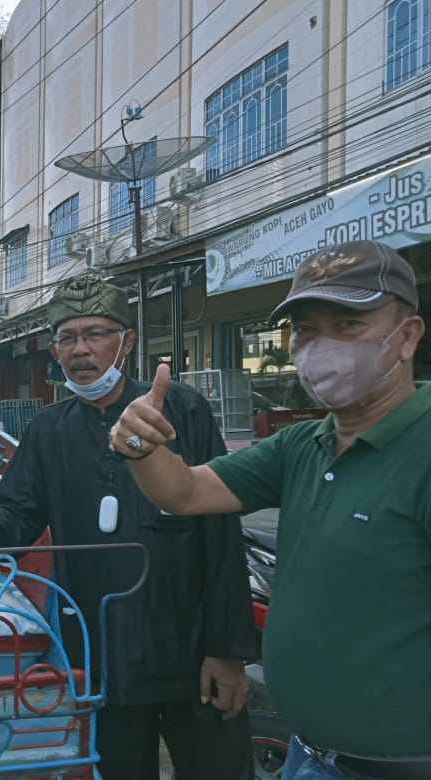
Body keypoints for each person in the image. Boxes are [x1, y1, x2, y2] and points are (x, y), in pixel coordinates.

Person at [111, 240, 431, 778]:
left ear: (407, 337)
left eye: (347, 324)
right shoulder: (302, 444)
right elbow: (185, 493)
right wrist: (141, 445)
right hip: (310, 755)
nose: (321, 344)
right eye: (306, 329)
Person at [0, 277, 256, 780]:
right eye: (67, 338)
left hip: (190, 650)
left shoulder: (181, 409)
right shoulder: (48, 429)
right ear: (55, 351)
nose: (80, 350)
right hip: (103, 655)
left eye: (95, 333)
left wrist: (227, 651)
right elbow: (17, 515)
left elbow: (222, 535)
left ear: (127, 342)